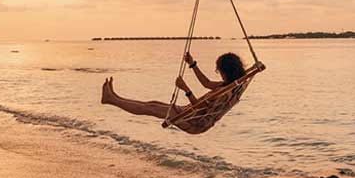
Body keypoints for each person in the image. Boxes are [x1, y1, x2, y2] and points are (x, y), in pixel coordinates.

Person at [101, 51, 247, 126]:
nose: (218, 73)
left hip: (194, 121)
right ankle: (115, 97)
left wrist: (186, 89)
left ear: (226, 70)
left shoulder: (225, 94)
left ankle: (112, 100)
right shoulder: (230, 83)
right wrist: (192, 64)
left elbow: (198, 109)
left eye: (219, 70)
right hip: (189, 112)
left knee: (150, 108)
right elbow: (207, 83)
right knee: (153, 103)